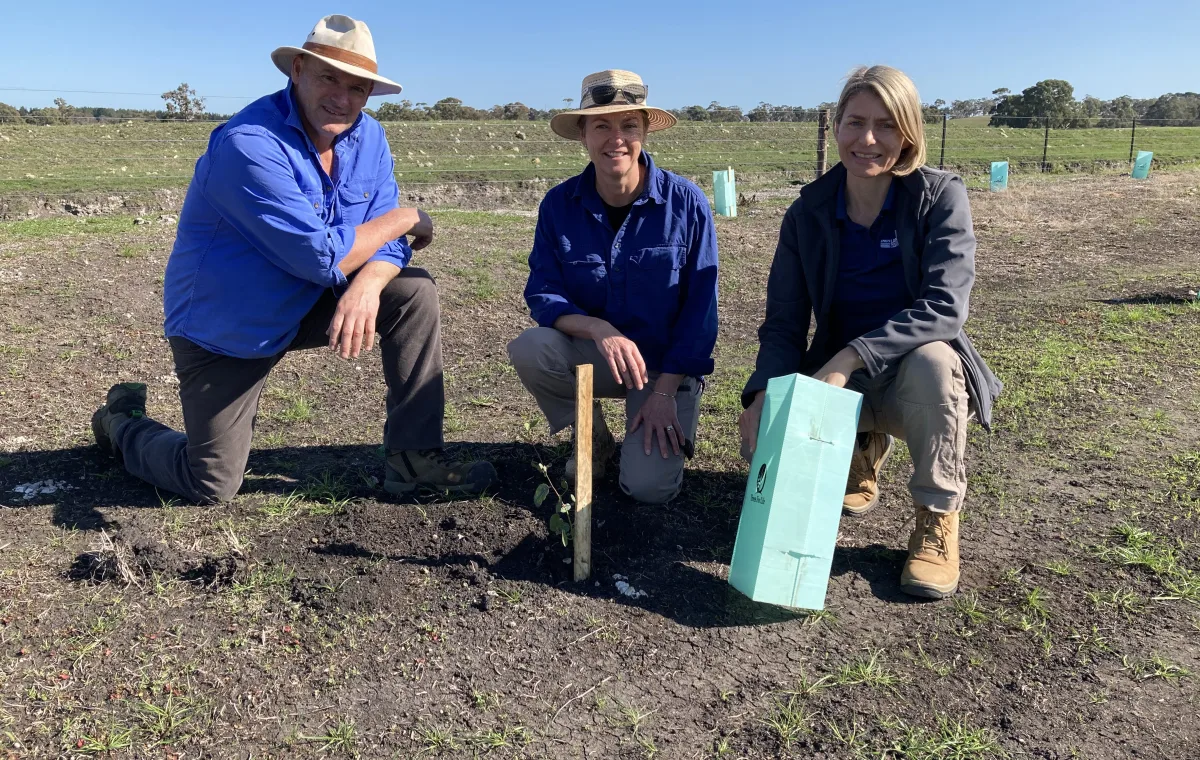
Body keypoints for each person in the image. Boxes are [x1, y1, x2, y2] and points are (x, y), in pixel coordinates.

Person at [91, 15, 497, 503]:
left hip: (311, 299)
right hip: (232, 327)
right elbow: (321, 255)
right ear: (298, 70)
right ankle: (122, 424)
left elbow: (384, 245)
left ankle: (414, 461)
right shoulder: (248, 145)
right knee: (211, 483)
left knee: (412, 292)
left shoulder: (369, 138)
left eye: (358, 86)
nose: (342, 98)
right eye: (329, 78)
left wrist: (368, 285)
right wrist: (408, 217)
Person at [738, 65, 1002, 599]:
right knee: (772, 427)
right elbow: (785, 322)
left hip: (913, 382)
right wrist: (764, 391)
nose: (868, 139)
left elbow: (945, 308)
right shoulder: (807, 213)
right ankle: (857, 448)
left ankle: (937, 518)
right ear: (836, 126)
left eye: (886, 124)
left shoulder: (939, 196)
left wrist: (848, 359)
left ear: (908, 133)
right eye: (855, 122)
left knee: (933, 360)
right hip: (842, 386)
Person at [508, 70, 719, 505]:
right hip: (598, 354)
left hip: (663, 367)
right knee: (532, 348)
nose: (615, 139)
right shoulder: (558, 205)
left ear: (644, 132)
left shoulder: (687, 203)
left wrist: (663, 392)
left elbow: (701, 312)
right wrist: (599, 329)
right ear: (583, 134)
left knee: (647, 490)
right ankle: (592, 435)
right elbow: (543, 292)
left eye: (628, 126)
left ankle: (674, 402)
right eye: (602, 125)